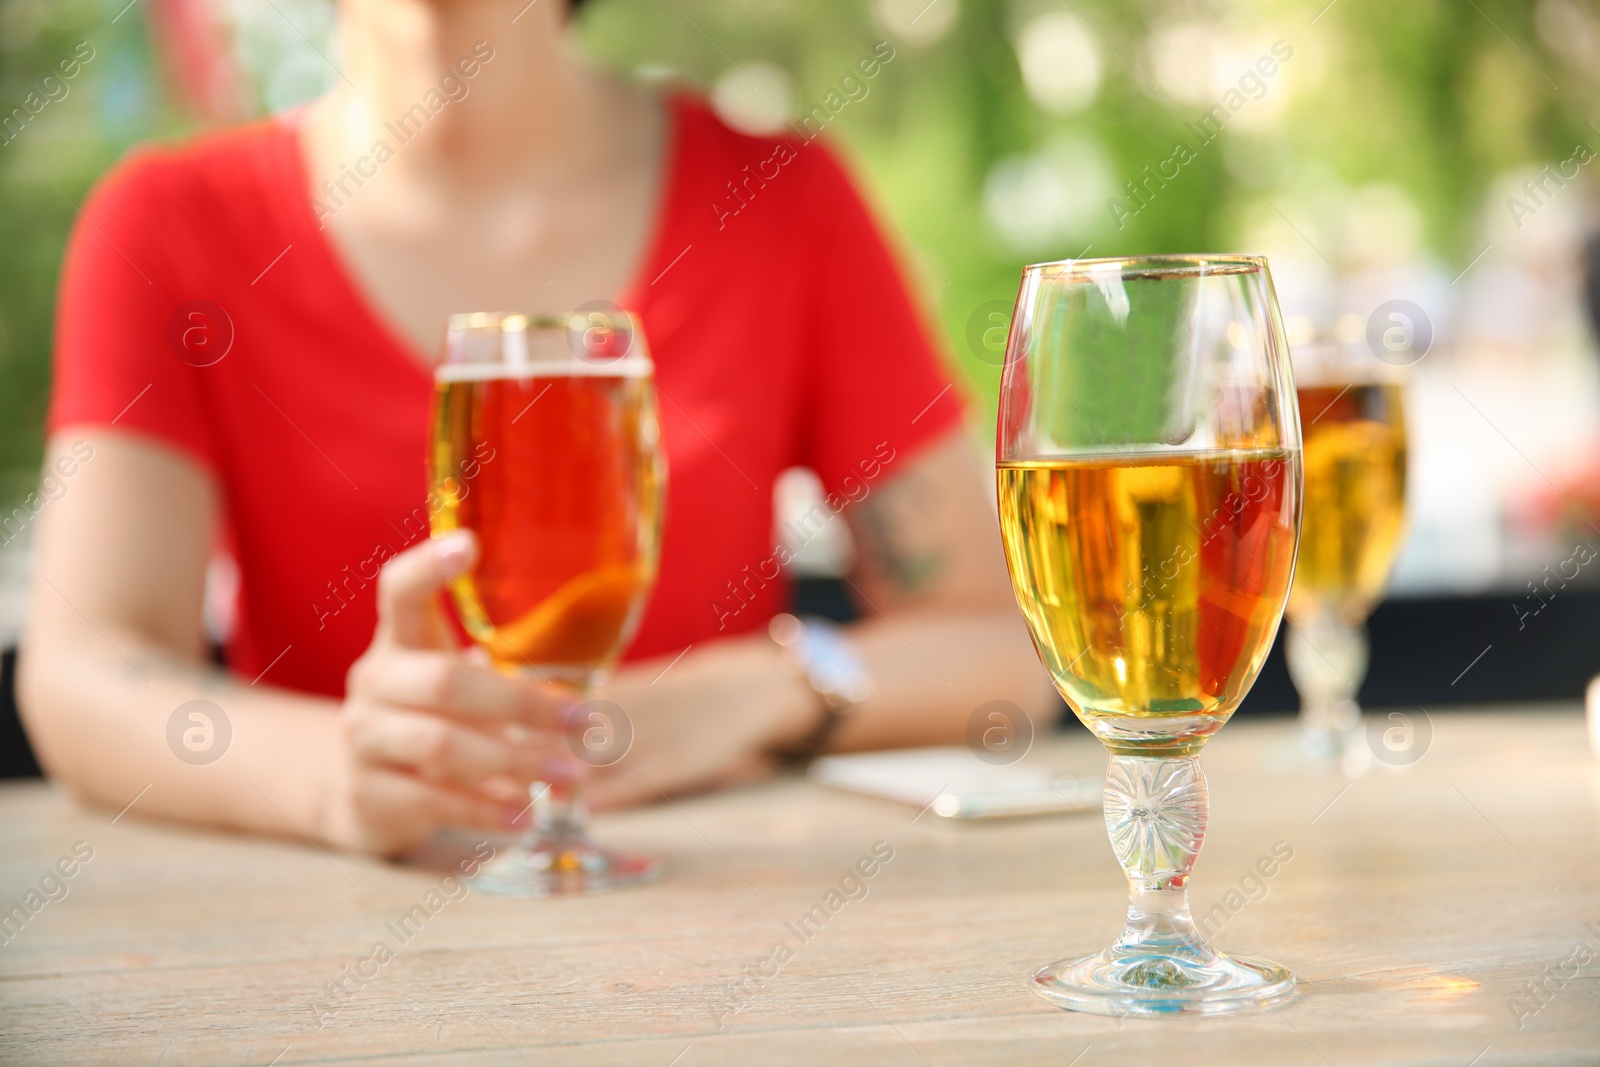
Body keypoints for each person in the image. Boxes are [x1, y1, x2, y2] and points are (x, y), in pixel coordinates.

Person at [19, 0, 1054, 856]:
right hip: (330, 945)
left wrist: (754, 693)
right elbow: (80, 670)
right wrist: (338, 774)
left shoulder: (781, 203)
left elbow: (998, 650)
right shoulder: (172, 227)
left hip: (714, 920)